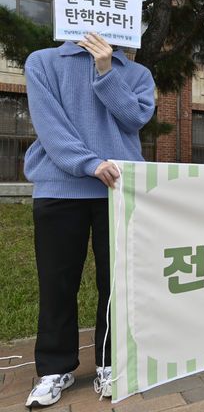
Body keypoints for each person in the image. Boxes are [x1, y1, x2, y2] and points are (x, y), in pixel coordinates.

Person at [23, 34, 155, 407]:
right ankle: (54, 369)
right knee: (57, 282)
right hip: (59, 187)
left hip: (119, 190)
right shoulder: (43, 61)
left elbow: (135, 119)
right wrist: (88, 163)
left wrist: (106, 71)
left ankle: (111, 363)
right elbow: (49, 124)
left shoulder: (138, 73)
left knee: (117, 283)